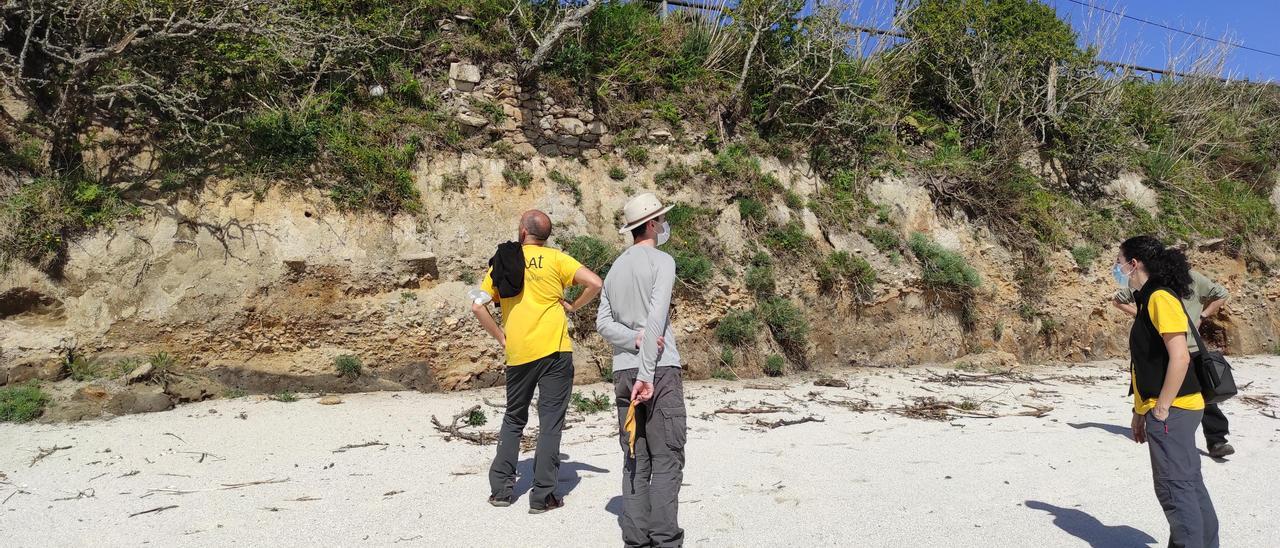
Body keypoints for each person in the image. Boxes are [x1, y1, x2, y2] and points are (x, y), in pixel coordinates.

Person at [471, 209, 602, 514]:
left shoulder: (504, 261)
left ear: (522, 231)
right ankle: (543, 497)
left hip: (519, 353)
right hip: (555, 351)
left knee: (514, 419)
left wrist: (502, 338)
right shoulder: (557, 259)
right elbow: (595, 282)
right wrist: (572, 307)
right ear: (546, 236)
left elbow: (478, 306)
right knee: (550, 423)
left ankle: (501, 491)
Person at [1115, 235, 1219, 548]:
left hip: (1175, 409)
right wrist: (1139, 411)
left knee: (1175, 489)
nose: (1116, 268)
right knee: (1188, 485)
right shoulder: (1147, 298)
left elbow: (1180, 356)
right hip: (1173, 407)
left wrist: (1160, 409)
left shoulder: (1159, 298)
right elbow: (1149, 363)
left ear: (1134, 264)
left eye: (1119, 262)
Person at [596, 192, 686, 548]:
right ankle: (665, 541)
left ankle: (635, 540)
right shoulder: (662, 262)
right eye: (661, 219)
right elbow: (656, 318)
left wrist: (632, 339)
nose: (664, 225)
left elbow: (603, 324)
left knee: (634, 458)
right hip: (658, 372)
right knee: (667, 459)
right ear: (651, 224)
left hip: (622, 372)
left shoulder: (614, 268)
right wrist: (647, 375)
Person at [1114, 269, 1233, 458]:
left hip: (1191, 346)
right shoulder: (1149, 281)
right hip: (1161, 349)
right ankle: (1163, 430)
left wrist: (1202, 316)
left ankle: (1216, 439)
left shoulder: (1192, 277)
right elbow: (1118, 300)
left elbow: (1221, 294)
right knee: (1155, 389)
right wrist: (1143, 316)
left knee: (1203, 394)